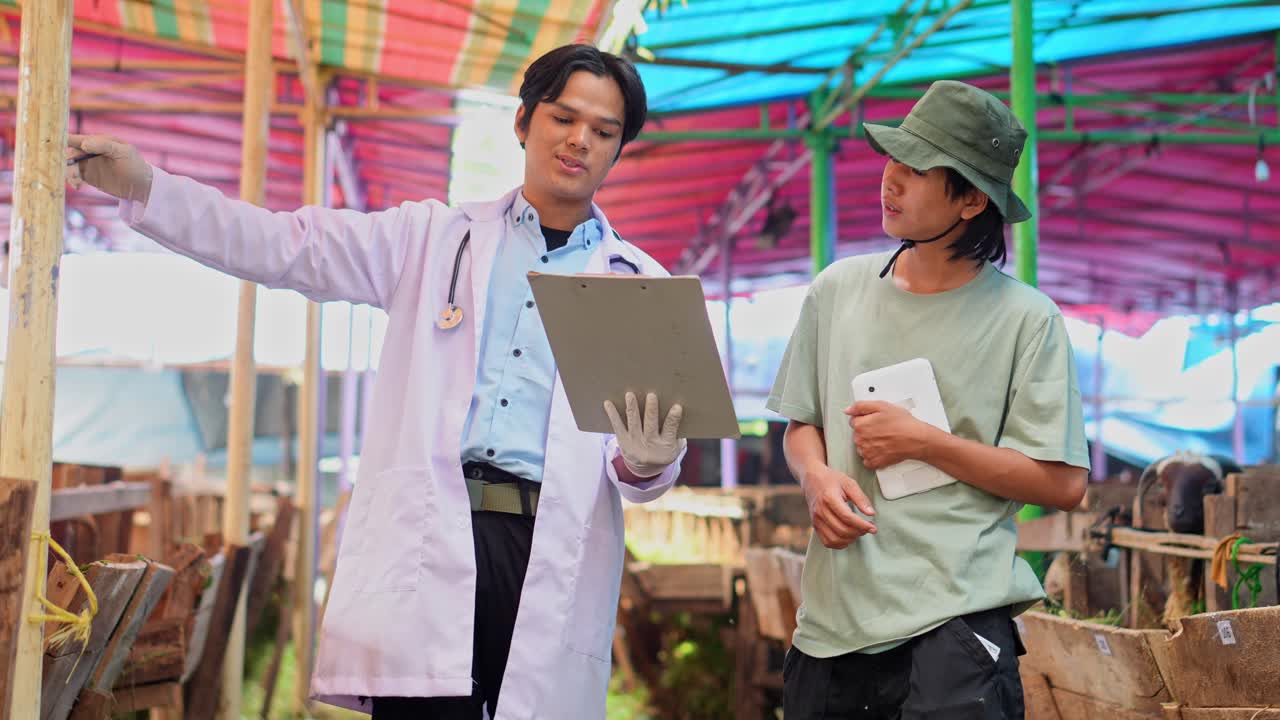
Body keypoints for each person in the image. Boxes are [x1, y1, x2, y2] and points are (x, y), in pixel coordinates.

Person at [67, 44, 686, 719]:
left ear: (619, 150)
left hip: (547, 547)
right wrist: (149, 188)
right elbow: (284, 246)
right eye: (564, 118)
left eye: (603, 132)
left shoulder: (641, 287)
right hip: (433, 540)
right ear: (523, 121)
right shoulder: (432, 238)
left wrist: (652, 459)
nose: (579, 142)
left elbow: (638, 466)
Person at [767, 80, 1090, 719]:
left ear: (972, 199)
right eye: (893, 159)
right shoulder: (838, 290)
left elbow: (1064, 483)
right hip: (832, 624)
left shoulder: (1028, 320)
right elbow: (801, 425)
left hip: (955, 624)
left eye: (917, 170)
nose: (891, 180)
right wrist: (816, 478)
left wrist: (926, 444)